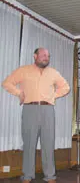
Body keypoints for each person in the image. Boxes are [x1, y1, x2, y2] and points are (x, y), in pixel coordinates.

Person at [2, 48, 70, 183]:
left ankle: (50, 176)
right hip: (30, 109)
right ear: (35, 56)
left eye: (48, 56)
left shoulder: (53, 72)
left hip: (48, 110)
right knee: (29, 144)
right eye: (43, 55)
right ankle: (27, 175)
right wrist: (19, 93)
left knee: (48, 144)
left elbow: (66, 87)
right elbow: (7, 83)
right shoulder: (23, 70)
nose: (46, 57)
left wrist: (53, 96)